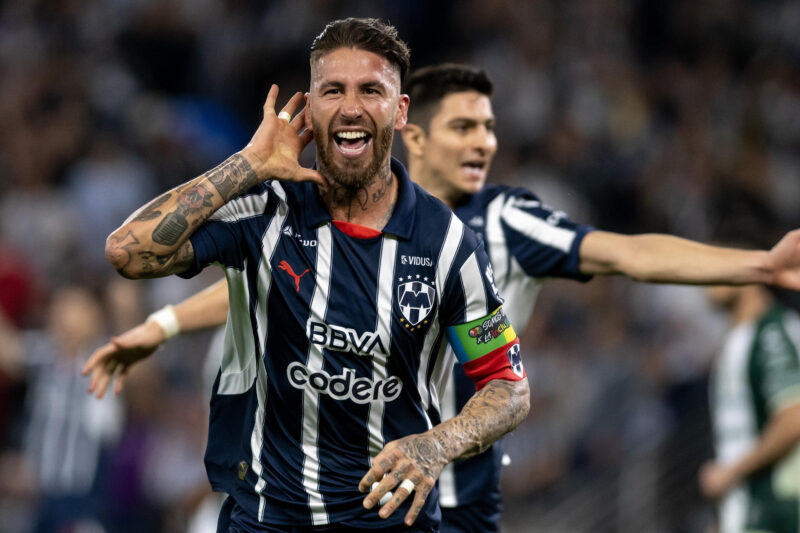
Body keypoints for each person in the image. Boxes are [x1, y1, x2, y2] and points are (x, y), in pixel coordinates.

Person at [88, 63, 800, 532]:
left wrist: (758, 265)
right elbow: (281, 294)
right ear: (415, 134)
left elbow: (630, 254)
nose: (485, 142)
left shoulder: (504, 221)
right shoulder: (332, 220)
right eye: (465, 126)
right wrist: (165, 322)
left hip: (453, 489)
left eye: (489, 127)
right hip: (345, 492)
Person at [91, 18, 530, 533]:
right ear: (311, 107)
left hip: (388, 523)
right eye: (333, 90)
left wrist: (436, 445)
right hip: (265, 519)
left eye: (371, 90)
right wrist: (248, 163)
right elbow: (128, 251)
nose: (351, 107)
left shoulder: (449, 246)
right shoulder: (263, 210)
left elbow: (508, 385)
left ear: (400, 111)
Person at [701, 280, 800, 533]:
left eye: (718, 262)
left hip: (777, 515)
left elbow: (793, 417)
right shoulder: (737, 338)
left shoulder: (773, 333)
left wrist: (729, 474)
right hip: (747, 514)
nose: (705, 279)